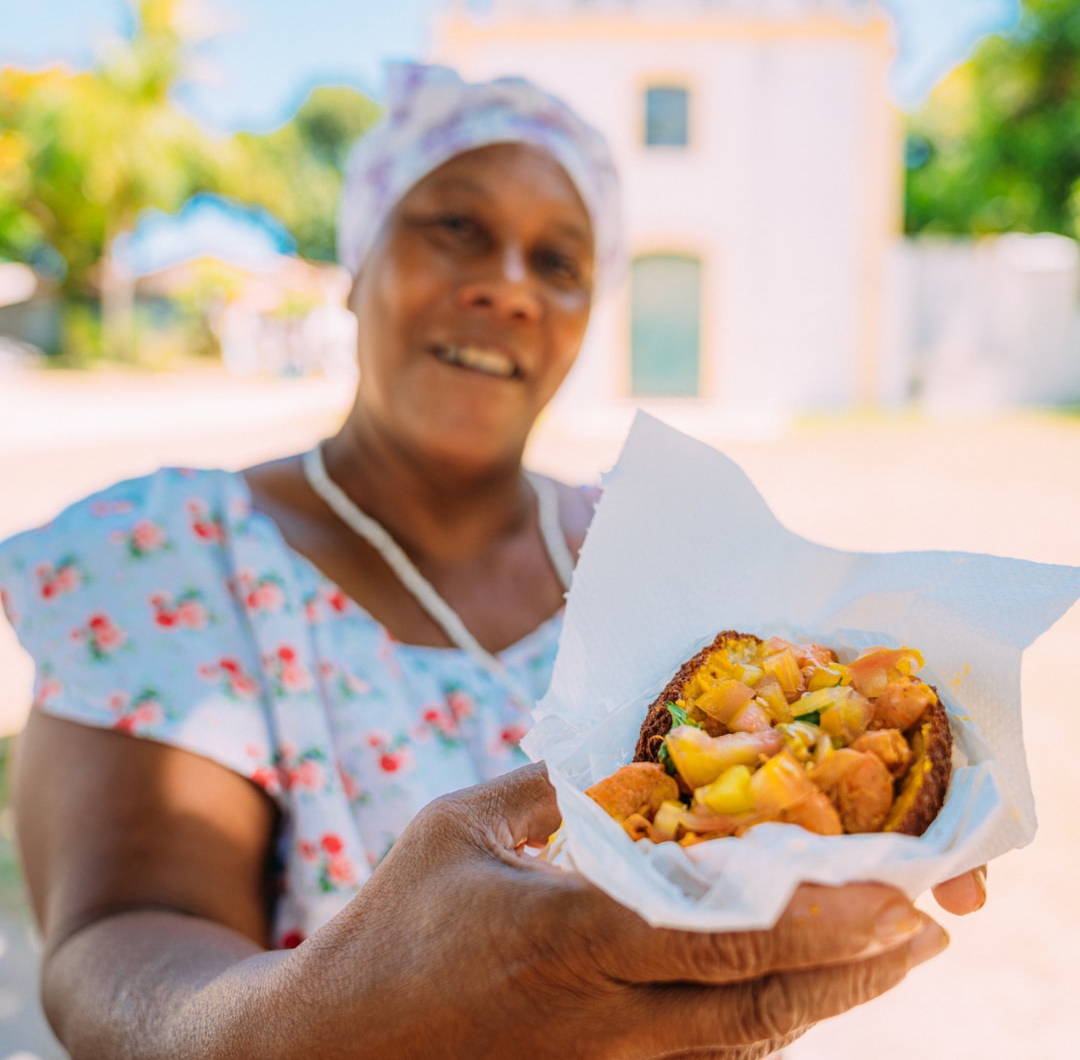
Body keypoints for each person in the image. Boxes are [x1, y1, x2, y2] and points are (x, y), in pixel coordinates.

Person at [0, 64, 984, 1059]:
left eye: (559, 262)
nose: (509, 286)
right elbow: (112, 946)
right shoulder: (173, 558)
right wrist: (338, 1011)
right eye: (457, 228)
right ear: (358, 259)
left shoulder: (653, 554)